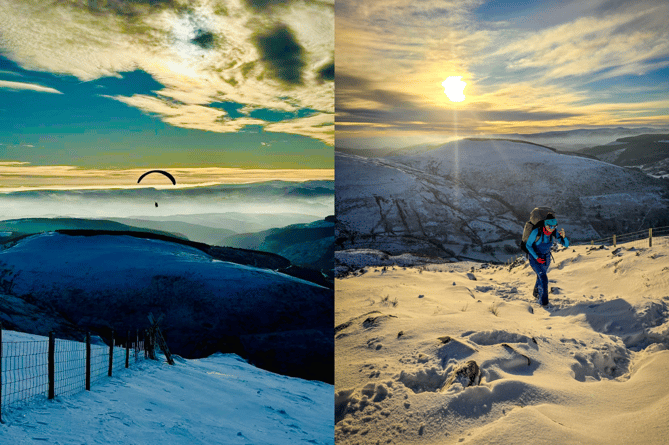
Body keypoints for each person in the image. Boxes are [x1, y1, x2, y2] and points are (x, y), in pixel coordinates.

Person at [525, 214, 569, 306]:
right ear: (546, 224)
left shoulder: (554, 232)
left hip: (546, 258)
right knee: (543, 277)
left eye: (554, 226)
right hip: (535, 258)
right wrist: (537, 257)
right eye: (550, 226)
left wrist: (564, 237)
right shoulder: (536, 232)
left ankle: (536, 293)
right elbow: (528, 245)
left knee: (540, 276)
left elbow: (566, 245)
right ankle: (544, 302)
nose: (552, 229)